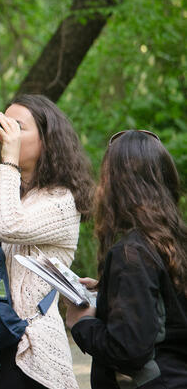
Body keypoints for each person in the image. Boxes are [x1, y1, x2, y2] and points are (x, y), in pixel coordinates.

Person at [0, 94, 94, 389]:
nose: (8, 133)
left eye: (18, 127)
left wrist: (8, 159)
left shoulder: (61, 202)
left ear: (47, 140)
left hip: (29, 349)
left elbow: (8, 224)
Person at [65, 130, 187, 388]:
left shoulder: (132, 254)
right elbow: (167, 311)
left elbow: (128, 351)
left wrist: (82, 324)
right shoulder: (175, 240)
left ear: (118, 185)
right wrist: (109, 291)